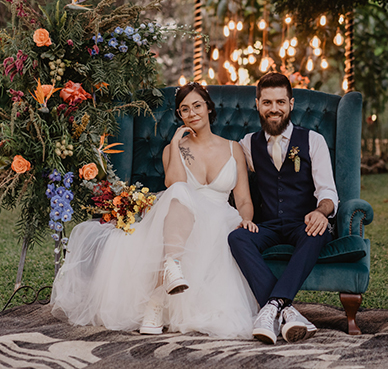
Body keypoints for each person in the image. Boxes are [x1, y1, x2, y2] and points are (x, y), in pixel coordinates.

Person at [51, 82, 258, 338]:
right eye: (185, 109)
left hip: (219, 217)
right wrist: (174, 143)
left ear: (208, 107)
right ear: (179, 116)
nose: (192, 113)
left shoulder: (233, 148)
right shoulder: (173, 149)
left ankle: (156, 301)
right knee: (180, 193)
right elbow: (174, 184)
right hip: (182, 216)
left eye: (197, 106)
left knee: (181, 201)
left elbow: (244, 200)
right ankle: (170, 272)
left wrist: (246, 219)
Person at [228, 72, 338, 345]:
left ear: (291, 104)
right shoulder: (247, 145)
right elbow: (222, 162)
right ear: (257, 104)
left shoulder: (313, 140)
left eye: (280, 102)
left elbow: (328, 193)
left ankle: (270, 308)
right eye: (267, 102)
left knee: (317, 232)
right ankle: (286, 310)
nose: (273, 108)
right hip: (267, 225)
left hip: (303, 222)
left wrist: (321, 212)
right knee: (237, 237)